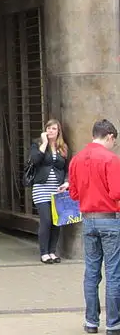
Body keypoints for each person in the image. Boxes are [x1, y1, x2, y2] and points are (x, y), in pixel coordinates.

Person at [67, 118, 120, 335]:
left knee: (91, 272)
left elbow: (74, 194)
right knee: (114, 273)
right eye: (114, 141)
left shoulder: (76, 160)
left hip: (88, 219)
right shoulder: (111, 159)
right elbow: (117, 193)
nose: (114, 145)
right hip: (109, 219)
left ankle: (91, 322)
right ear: (109, 136)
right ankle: (113, 324)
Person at [29, 119, 70, 264]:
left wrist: (67, 182)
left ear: (59, 131)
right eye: (49, 128)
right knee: (46, 220)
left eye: (54, 129)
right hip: (41, 188)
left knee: (55, 222)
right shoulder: (37, 144)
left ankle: (52, 251)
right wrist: (44, 143)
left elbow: (67, 168)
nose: (51, 131)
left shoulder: (62, 147)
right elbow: (35, 160)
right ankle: (44, 253)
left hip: (57, 190)